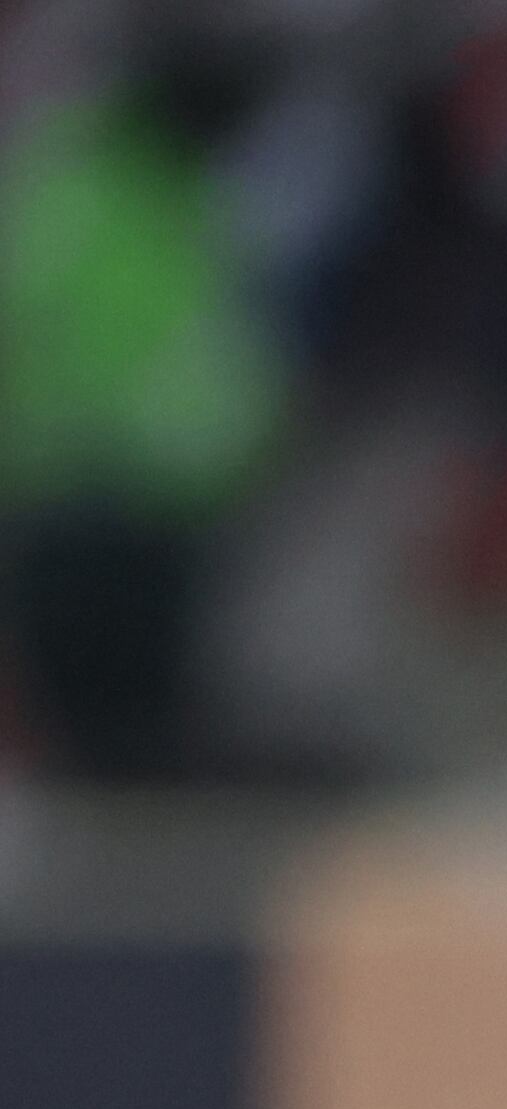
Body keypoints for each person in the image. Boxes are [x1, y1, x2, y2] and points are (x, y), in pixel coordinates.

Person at [0, 27, 283, 782]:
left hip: (162, 502)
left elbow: (209, 338)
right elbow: (55, 337)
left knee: (145, 729)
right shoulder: (78, 186)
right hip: (75, 497)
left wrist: (241, 439)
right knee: (96, 730)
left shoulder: (181, 188)